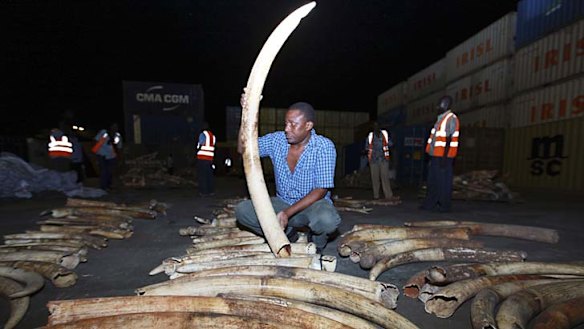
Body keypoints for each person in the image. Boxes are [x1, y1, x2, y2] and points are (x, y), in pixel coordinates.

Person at [235, 102, 341, 253]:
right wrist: (246, 113)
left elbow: (321, 191)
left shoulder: (323, 146)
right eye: (286, 123)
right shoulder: (276, 141)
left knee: (328, 220)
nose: (287, 129)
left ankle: (316, 242)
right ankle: (288, 234)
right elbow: (243, 149)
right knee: (243, 211)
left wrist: (287, 213)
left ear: (308, 125)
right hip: (283, 202)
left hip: (311, 205)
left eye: (293, 124)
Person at [420, 95, 460, 212]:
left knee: (443, 182)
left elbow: (448, 139)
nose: (438, 106)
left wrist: (444, 157)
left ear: (446, 104)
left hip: (443, 157)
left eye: (440, 103)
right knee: (432, 181)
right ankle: (430, 204)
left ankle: (444, 206)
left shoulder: (450, 118)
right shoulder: (441, 118)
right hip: (436, 156)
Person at [366, 121, 398, 201]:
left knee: (385, 177)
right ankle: (376, 195)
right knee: (375, 178)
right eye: (374, 126)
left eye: (377, 125)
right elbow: (367, 147)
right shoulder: (370, 136)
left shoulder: (385, 134)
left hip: (384, 159)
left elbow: (391, 146)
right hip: (373, 160)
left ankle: (388, 195)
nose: (376, 127)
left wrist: (391, 159)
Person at [196, 123, 216, 196]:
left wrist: (198, 148)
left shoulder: (203, 134)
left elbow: (201, 143)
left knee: (202, 176)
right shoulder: (212, 136)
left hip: (202, 158)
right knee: (209, 175)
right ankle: (210, 191)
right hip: (210, 158)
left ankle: (203, 192)